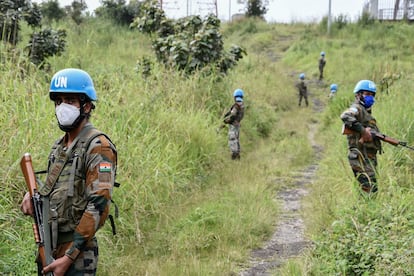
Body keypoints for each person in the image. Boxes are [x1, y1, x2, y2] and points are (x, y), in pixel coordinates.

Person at [20, 68, 118, 275]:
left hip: (78, 255)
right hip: (50, 246)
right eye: (59, 101)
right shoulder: (60, 146)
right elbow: (56, 191)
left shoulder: (98, 146)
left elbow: (99, 205)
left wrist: (69, 257)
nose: (62, 107)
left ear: (87, 105)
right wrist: (33, 196)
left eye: (70, 101)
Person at [340, 80, 381, 195]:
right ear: (358, 95)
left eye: (372, 95)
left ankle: (364, 211)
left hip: (367, 156)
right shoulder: (356, 108)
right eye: (367, 94)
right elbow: (345, 115)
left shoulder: (366, 112)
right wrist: (363, 131)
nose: (370, 97)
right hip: (359, 156)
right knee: (368, 190)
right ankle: (365, 211)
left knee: (370, 189)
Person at [223, 88, 245, 160]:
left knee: (232, 139)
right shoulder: (242, 105)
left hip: (233, 125)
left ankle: (234, 154)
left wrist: (227, 121)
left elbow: (233, 115)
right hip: (238, 124)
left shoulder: (236, 106)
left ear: (235, 97)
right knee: (237, 139)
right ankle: (238, 154)